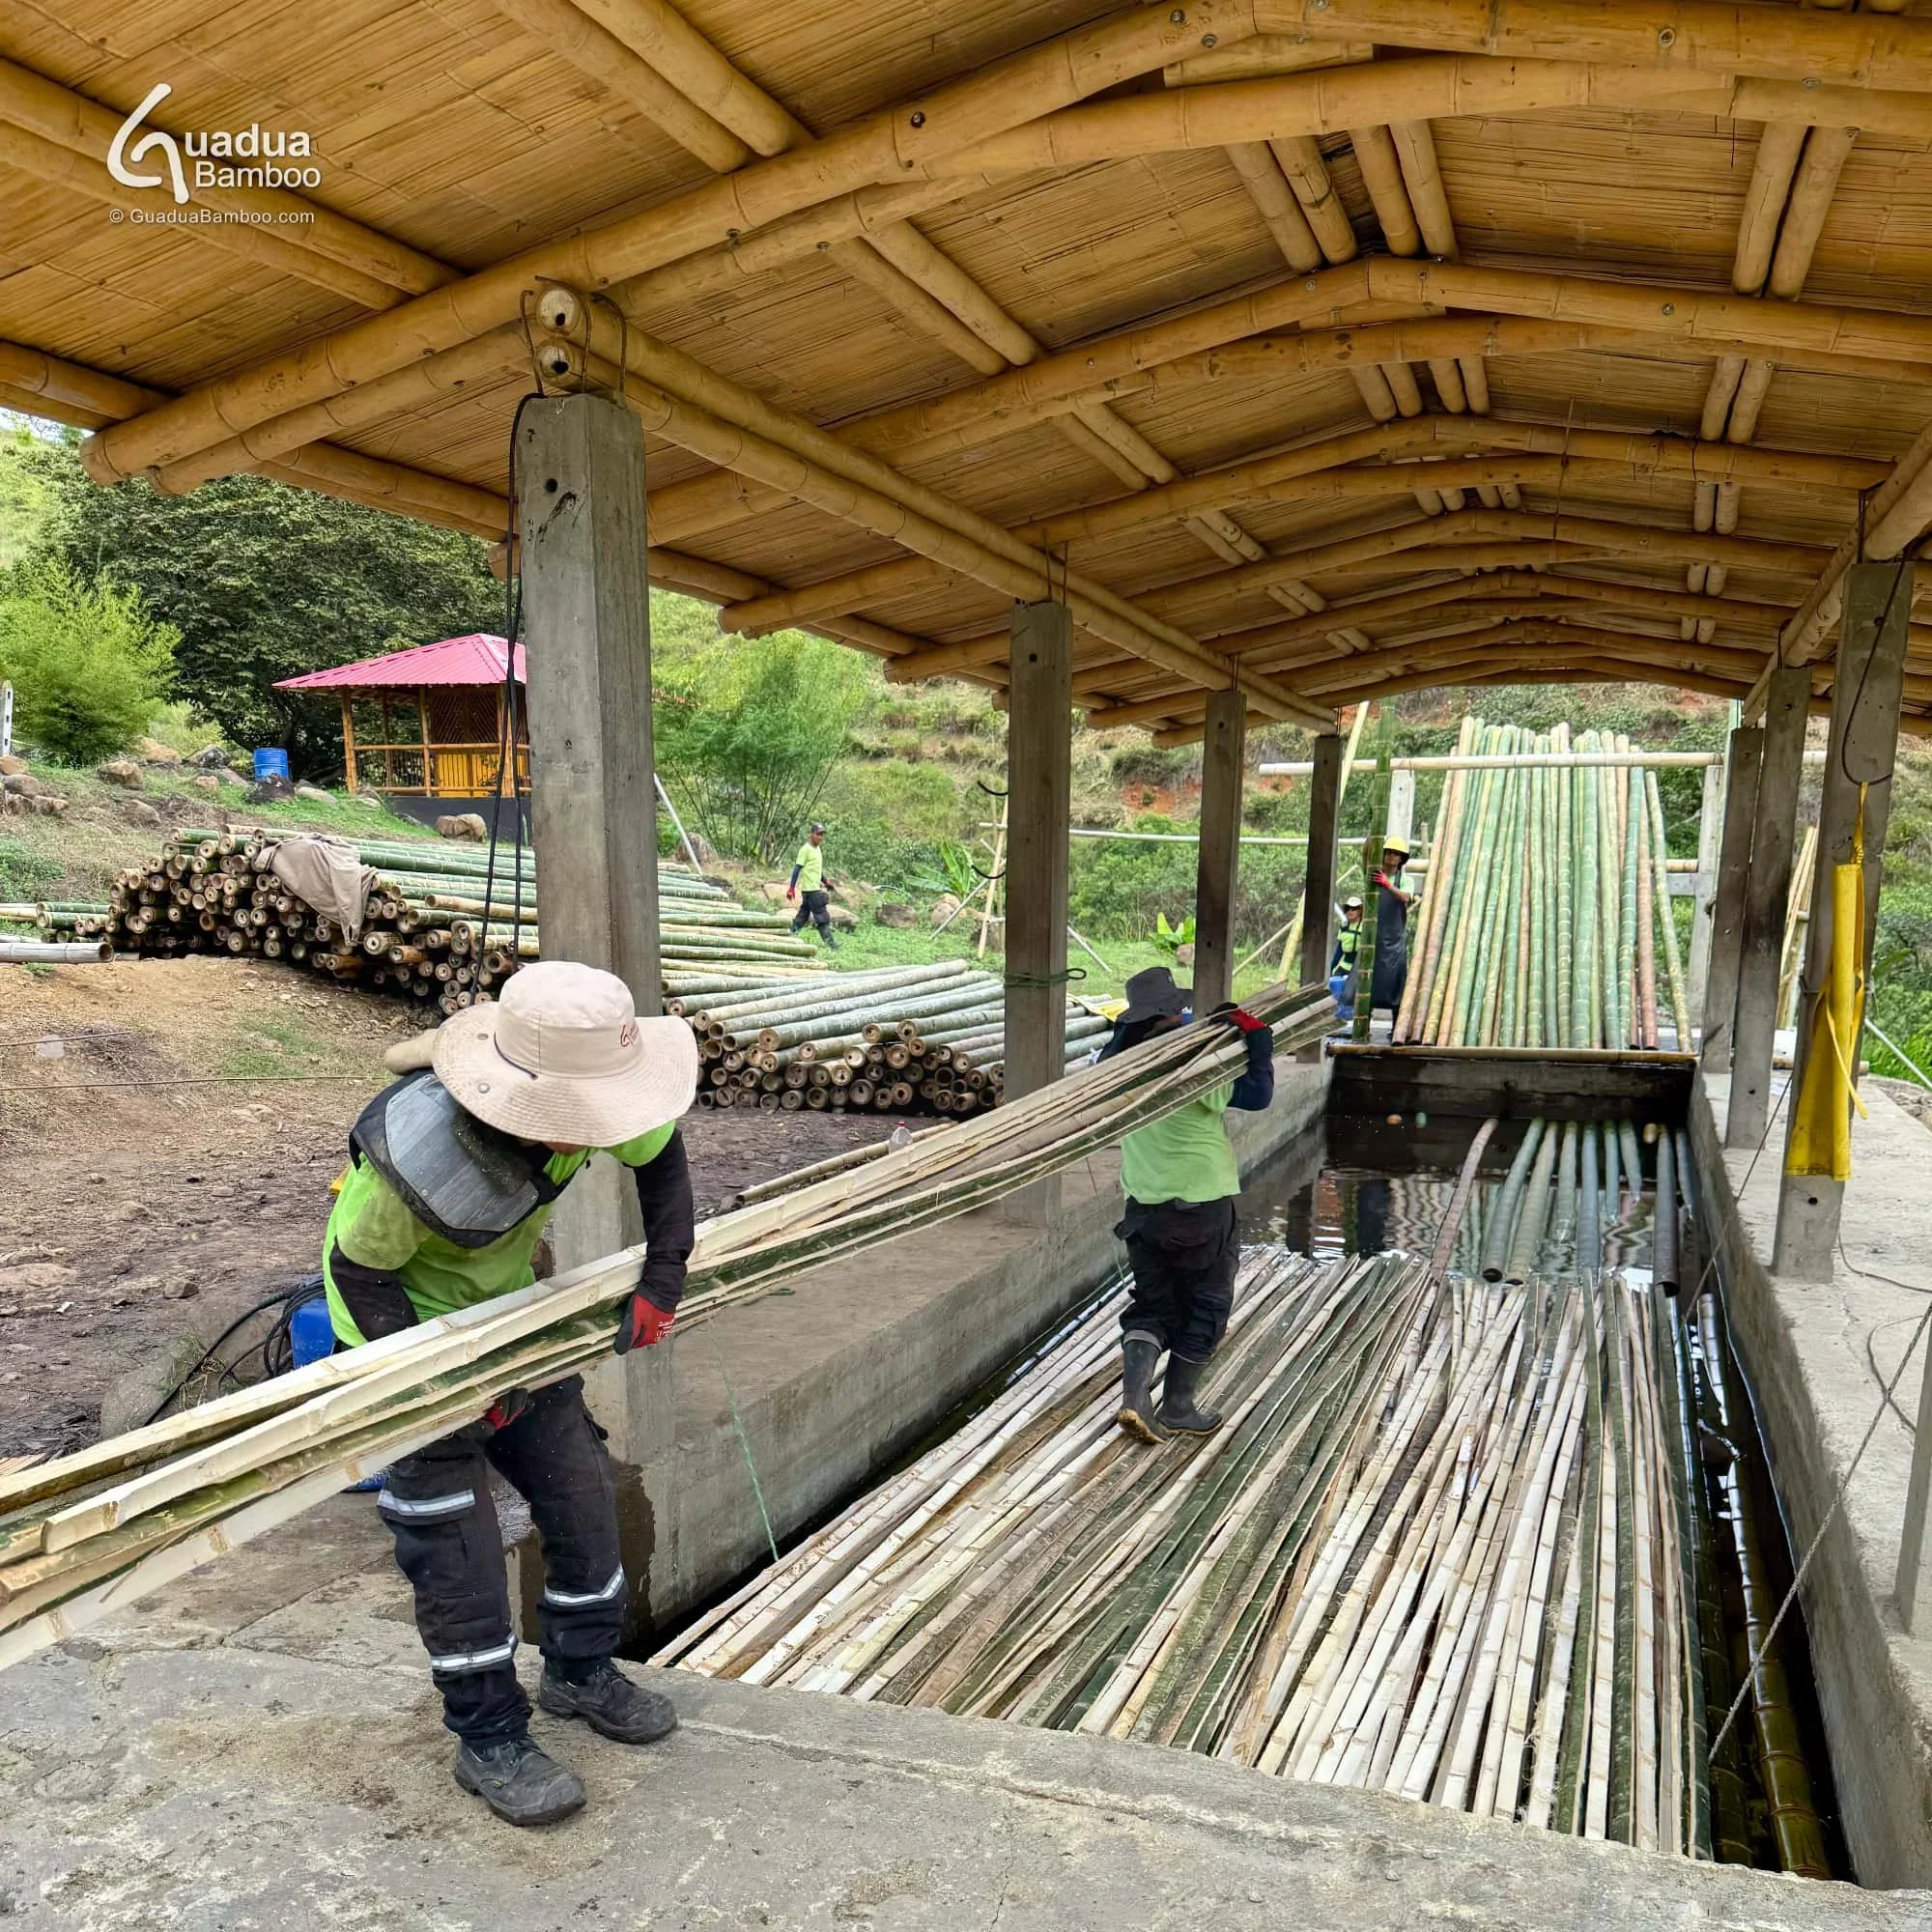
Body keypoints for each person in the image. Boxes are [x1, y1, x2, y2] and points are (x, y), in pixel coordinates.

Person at [322, 960, 699, 1829]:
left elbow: (663, 1164)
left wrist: (662, 1277)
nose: (588, 1138)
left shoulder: (596, 1084)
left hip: (517, 1322)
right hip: (401, 1342)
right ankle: (488, 1735)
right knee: (454, 1549)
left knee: (583, 1498)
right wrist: (448, 1388)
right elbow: (359, 1276)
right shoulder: (413, 1160)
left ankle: (580, 1670)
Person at [1101, 966, 1275, 1442]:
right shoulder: (1193, 1063)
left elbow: (1112, 1048)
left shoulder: (1115, 1068)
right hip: (1200, 1207)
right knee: (1207, 1304)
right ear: (1174, 1013)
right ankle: (1178, 1406)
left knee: (1153, 1305)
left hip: (1143, 1207)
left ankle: (1136, 1398)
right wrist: (1259, 1041)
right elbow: (1259, 1095)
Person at [1369, 836, 1417, 1020]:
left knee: (1396, 982)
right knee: (1369, 982)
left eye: (1395, 854)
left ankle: (1396, 1027)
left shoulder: (1405, 880)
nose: (1391, 856)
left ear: (1401, 859)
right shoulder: (1372, 875)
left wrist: (1387, 884)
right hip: (1373, 938)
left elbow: (1405, 897)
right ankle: (1363, 1025)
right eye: (1388, 852)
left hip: (1394, 939)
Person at [787, 822, 837, 949]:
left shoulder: (818, 849)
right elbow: (797, 869)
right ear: (811, 834)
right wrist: (791, 889)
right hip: (811, 890)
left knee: (803, 916)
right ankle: (832, 945)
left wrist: (826, 882)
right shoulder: (805, 849)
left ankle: (790, 935)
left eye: (822, 835)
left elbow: (817, 870)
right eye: (818, 834)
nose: (820, 837)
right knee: (822, 916)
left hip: (813, 888)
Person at [1328, 895, 1365, 1026]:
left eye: (1354, 909)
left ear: (1360, 911)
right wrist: (1331, 970)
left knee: (1353, 994)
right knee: (1334, 989)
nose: (1350, 911)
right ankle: (1338, 1018)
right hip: (1345, 965)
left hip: (1359, 967)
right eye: (1348, 908)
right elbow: (1338, 951)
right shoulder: (1344, 926)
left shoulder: (1365, 928)